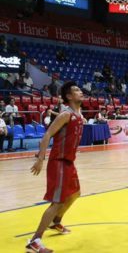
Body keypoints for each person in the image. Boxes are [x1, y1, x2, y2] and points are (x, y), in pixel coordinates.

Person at [26, 81, 84, 253]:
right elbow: (47, 134)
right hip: (58, 162)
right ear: (68, 96)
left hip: (69, 163)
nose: (80, 92)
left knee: (75, 193)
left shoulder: (78, 115)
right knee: (57, 202)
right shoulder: (65, 115)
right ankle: (34, 241)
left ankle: (55, 221)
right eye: (76, 90)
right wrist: (40, 158)